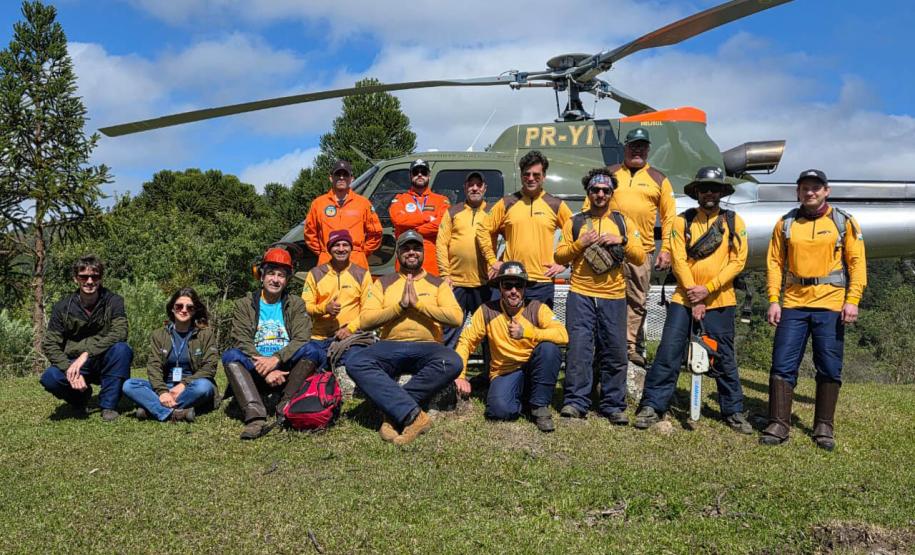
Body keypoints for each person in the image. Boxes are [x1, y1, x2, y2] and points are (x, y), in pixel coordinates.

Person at [633, 167, 751, 433]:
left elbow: (738, 261)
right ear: (696, 192)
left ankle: (733, 411)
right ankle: (653, 404)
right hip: (683, 299)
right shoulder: (681, 221)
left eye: (714, 188)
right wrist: (694, 294)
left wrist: (707, 289)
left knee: (723, 357)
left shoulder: (734, 222)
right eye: (704, 188)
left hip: (721, 300)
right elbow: (679, 259)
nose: (709, 193)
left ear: (722, 192)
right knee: (668, 352)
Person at [760, 169, 866, 451]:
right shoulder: (785, 224)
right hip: (793, 304)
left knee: (829, 365)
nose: (810, 192)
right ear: (798, 192)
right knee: (782, 363)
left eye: (816, 188)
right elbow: (774, 263)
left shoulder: (843, 222)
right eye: (805, 188)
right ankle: (779, 423)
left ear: (826, 191)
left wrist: (852, 300)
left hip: (831, 305)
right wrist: (774, 299)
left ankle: (823, 426)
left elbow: (857, 264)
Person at [345, 230, 464, 445]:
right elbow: (366, 320)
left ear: (422, 252)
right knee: (356, 361)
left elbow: (456, 317)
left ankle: (392, 413)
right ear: (398, 253)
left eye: (416, 248)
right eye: (406, 248)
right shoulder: (383, 282)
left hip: (428, 347)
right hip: (390, 346)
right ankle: (413, 416)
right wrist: (399, 307)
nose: (411, 252)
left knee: (453, 361)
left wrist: (418, 305)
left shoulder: (438, 284)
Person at [556, 169, 645, 424]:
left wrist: (622, 240)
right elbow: (559, 256)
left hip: (614, 296)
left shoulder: (622, 222)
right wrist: (580, 244)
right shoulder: (574, 222)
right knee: (579, 350)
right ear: (589, 192)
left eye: (606, 190)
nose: (601, 194)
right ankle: (575, 402)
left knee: (615, 351)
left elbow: (639, 256)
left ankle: (613, 404)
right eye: (595, 190)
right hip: (581, 294)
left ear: (611, 193)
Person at [592, 127, 676, 366]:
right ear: (625, 148)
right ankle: (606, 345)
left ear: (648, 149)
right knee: (606, 298)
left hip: (641, 251)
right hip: (608, 251)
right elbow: (594, 204)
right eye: (633, 145)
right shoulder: (610, 174)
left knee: (637, 300)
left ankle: (630, 347)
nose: (637, 150)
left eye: (642, 146)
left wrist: (667, 249)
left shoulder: (659, 179)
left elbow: (670, 217)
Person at [454, 262, 568, 432]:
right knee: (499, 412)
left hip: (532, 367)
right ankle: (525, 400)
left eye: (518, 285)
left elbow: (563, 336)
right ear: (500, 288)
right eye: (508, 285)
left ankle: (539, 406)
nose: (513, 291)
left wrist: (528, 332)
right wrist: (460, 376)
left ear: (524, 288)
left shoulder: (537, 308)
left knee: (549, 349)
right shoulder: (486, 310)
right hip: (504, 371)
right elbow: (466, 342)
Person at [221, 247, 316, 439]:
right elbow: (241, 339)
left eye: (281, 275)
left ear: (287, 280)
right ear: (261, 276)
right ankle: (255, 416)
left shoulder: (296, 304)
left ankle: (285, 406)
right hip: (256, 367)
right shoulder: (244, 304)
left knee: (313, 350)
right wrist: (266, 367)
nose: (275, 279)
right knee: (230, 355)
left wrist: (276, 359)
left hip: (286, 367)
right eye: (271, 273)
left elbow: (302, 337)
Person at [40, 255, 132, 421]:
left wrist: (87, 354)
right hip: (74, 362)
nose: (89, 281)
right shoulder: (62, 308)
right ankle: (80, 398)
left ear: (101, 278)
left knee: (122, 349)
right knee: (50, 378)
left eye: (94, 276)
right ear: (76, 279)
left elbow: (120, 332)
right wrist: (68, 367)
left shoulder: (114, 301)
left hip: (104, 359)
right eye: (84, 276)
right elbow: (50, 343)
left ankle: (108, 405)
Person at [477, 150, 573, 308]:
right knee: (505, 331)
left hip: (542, 282)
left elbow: (575, 231)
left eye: (536, 174)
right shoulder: (507, 202)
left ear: (544, 176)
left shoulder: (555, 204)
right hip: (511, 279)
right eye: (526, 174)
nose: (531, 178)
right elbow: (483, 229)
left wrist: (564, 263)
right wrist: (492, 261)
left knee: (540, 331)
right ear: (521, 175)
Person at [122, 287, 217, 423]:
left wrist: (184, 384)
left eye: (189, 307)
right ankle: (175, 413)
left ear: (195, 310)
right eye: (179, 306)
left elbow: (210, 367)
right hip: (165, 385)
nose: (184, 310)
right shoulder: (159, 335)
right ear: (172, 308)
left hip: (191, 387)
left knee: (204, 387)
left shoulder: (205, 334)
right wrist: (162, 391)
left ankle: (152, 408)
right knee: (129, 385)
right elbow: (154, 366)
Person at [436, 171, 494, 365]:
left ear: (485, 188)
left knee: (489, 331)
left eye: (479, 185)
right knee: (451, 330)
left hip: (484, 284)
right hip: (456, 283)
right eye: (471, 185)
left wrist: (498, 266)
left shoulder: (494, 213)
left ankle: (490, 375)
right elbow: (441, 244)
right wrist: (445, 274)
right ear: (465, 188)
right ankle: (446, 372)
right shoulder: (453, 212)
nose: (475, 188)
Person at [301, 230, 373, 369]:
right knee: (304, 360)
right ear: (329, 249)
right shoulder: (315, 274)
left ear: (351, 248)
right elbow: (304, 307)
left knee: (351, 363)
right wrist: (324, 308)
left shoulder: (362, 274)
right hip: (318, 338)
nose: (341, 249)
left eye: (345, 245)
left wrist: (350, 328)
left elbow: (369, 310)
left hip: (350, 337)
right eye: (336, 245)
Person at [304, 159, 382, 269]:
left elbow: (376, 233)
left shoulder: (363, 203)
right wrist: (324, 252)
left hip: (356, 262)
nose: (341, 177)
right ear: (331, 177)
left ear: (352, 178)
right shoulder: (318, 204)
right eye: (338, 174)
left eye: (345, 174)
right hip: (327, 262)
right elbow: (310, 234)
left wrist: (360, 253)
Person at [389, 158, 451, 275]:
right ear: (410, 175)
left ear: (429, 175)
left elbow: (442, 225)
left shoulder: (442, 200)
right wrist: (428, 218)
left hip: (432, 263)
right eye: (416, 172)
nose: (420, 175)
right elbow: (399, 220)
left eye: (424, 172)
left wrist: (414, 229)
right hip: (405, 261)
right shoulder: (400, 199)